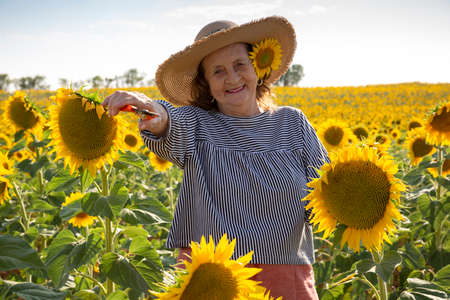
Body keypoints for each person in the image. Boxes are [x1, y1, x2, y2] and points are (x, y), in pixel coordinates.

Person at [103, 16, 327, 300]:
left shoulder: (292, 124)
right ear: (206, 84)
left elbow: (325, 194)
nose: (232, 78)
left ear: (257, 67)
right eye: (218, 71)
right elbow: (168, 122)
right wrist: (148, 109)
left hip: (285, 280)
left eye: (239, 65)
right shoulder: (198, 125)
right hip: (209, 283)